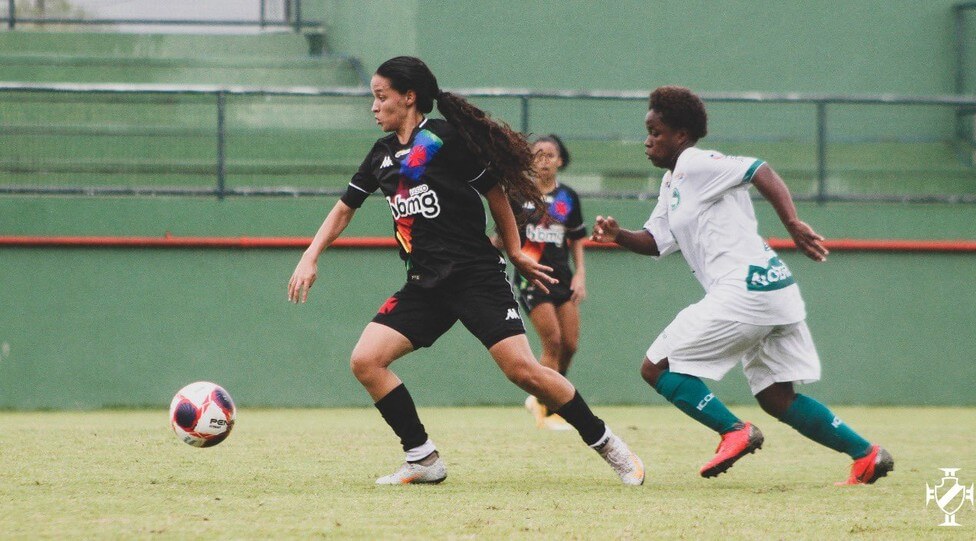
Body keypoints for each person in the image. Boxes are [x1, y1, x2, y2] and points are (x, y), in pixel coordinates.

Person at [287, 56, 644, 486]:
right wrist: (311, 255)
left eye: (381, 97)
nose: (374, 106)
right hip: (424, 285)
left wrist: (514, 250)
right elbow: (344, 208)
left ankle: (609, 445)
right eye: (373, 98)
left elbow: (496, 193)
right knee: (366, 361)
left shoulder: (439, 138)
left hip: (475, 275)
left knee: (523, 371)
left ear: (409, 97)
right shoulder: (381, 156)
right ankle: (422, 458)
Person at [591, 85, 893, 485]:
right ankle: (867, 455)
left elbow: (758, 169)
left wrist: (792, 223)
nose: (648, 140)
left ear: (681, 136)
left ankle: (734, 431)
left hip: (744, 290)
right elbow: (656, 242)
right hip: (774, 289)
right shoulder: (673, 183)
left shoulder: (696, 162)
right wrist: (618, 235)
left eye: (656, 131)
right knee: (776, 397)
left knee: (656, 366)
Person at [511, 135, 587, 431]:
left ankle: (548, 395)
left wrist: (580, 274)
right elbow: (503, 235)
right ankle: (545, 408)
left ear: (560, 161)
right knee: (552, 341)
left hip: (562, 278)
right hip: (534, 278)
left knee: (570, 344)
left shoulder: (567, 198)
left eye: (550, 155)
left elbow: (577, 238)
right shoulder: (518, 195)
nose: (543, 160)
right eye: (538, 154)